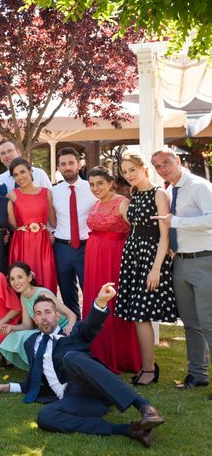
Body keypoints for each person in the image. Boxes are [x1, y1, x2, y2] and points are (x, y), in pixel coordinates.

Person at [0, 285, 165, 448]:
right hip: (76, 400)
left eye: (48, 312)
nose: (44, 317)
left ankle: (145, 407)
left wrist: (100, 303)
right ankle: (130, 430)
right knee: (45, 417)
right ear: (35, 319)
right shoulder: (31, 343)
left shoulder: (72, 334)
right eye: (38, 313)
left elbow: (90, 326)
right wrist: (6, 386)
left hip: (94, 389)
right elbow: (35, 378)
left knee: (70, 358)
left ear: (57, 315)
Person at [151, 148, 212, 393]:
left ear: (177, 161)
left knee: (208, 323)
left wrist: (175, 222)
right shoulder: (168, 191)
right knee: (190, 323)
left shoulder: (199, 186)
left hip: (204, 260)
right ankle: (197, 374)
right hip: (181, 262)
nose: (163, 168)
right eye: (157, 166)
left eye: (166, 163)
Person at [116, 152, 177, 385]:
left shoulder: (158, 193)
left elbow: (164, 236)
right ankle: (147, 366)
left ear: (143, 168)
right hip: (133, 256)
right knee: (136, 315)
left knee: (142, 315)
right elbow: (135, 227)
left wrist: (156, 269)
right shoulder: (133, 194)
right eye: (125, 171)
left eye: (132, 169)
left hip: (151, 258)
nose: (129, 175)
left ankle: (149, 369)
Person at [83, 166, 141, 374]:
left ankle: (119, 355)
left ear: (110, 183)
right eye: (92, 184)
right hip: (94, 260)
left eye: (100, 183)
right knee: (97, 302)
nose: (96, 188)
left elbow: (138, 230)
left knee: (114, 304)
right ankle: (99, 351)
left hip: (114, 259)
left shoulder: (122, 203)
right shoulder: (97, 203)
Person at [0, 261, 76, 371]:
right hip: (45, 330)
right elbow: (27, 325)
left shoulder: (42, 294)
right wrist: (11, 327)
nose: (16, 282)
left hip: (61, 330)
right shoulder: (23, 296)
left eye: (20, 277)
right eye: (12, 279)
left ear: (29, 277)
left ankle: (41, 368)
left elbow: (71, 314)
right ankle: (38, 368)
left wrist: (68, 330)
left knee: (25, 337)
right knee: (15, 335)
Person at [50, 148, 97, 318]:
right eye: (63, 164)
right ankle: (75, 328)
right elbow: (49, 218)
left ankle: (93, 328)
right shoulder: (53, 192)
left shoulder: (92, 188)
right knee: (67, 293)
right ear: (59, 168)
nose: (67, 167)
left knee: (91, 291)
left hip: (87, 247)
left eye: (71, 163)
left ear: (79, 164)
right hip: (62, 249)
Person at [7, 158, 58, 293]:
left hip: (43, 244)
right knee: (23, 280)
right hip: (22, 243)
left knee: (46, 278)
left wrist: (53, 235)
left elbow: (53, 222)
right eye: (15, 175)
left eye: (23, 172)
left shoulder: (46, 192)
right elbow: (12, 224)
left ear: (30, 171)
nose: (20, 177)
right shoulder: (12, 195)